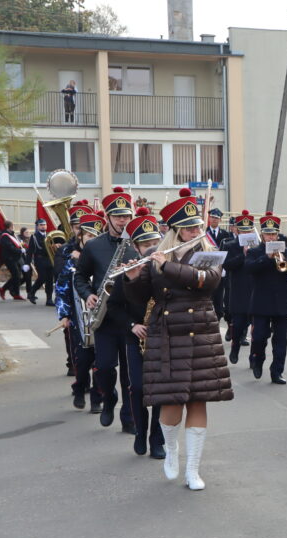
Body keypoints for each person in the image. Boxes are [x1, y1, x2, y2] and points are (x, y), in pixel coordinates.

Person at [123, 188, 233, 491]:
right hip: (167, 334)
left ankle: (193, 469)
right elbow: (141, 295)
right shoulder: (156, 255)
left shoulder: (208, 252)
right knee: (170, 401)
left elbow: (205, 281)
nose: (196, 231)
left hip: (200, 331)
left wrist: (165, 266)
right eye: (188, 228)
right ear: (175, 231)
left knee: (198, 400)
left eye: (197, 226)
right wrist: (131, 278)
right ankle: (171, 451)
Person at [74, 188, 140, 432]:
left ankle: (128, 418)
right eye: (118, 216)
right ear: (108, 217)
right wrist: (88, 294)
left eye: (126, 216)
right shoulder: (94, 246)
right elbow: (80, 277)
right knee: (103, 368)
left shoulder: (136, 243)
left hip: (130, 316)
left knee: (130, 375)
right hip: (104, 317)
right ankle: (109, 398)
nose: (123, 221)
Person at [119, 208, 166, 459]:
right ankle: (140, 432)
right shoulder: (128, 268)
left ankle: (156, 439)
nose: (151, 247)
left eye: (155, 241)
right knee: (137, 388)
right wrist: (131, 325)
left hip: (161, 337)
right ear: (136, 247)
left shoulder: (164, 267)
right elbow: (115, 307)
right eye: (146, 243)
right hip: (136, 337)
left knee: (158, 390)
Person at [245, 212, 287, 385]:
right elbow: (249, 269)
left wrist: (285, 260)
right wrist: (267, 259)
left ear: (278, 234)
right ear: (262, 235)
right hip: (261, 302)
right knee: (260, 336)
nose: (271, 237)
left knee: (281, 340)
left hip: (281, 303)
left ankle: (277, 371)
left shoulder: (286, 250)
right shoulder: (255, 252)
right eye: (268, 234)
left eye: (274, 234)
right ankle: (258, 359)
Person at [55, 209, 100, 412]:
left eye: (95, 236)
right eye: (89, 235)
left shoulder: (101, 257)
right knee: (81, 361)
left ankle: (97, 399)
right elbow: (61, 287)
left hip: (101, 317)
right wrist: (64, 315)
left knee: (101, 360)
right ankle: (80, 387)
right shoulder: (69, 256)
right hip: (77, 317)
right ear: (80, 235)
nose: (92, 239)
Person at [223, 211, 256, 363]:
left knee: (257, 328)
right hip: (238, 290)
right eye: (243, 230)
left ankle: (254, 356)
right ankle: (235, 348)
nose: (246, 233)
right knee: (238, 326)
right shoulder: (230, 245)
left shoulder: (258, 245)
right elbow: (227, 265)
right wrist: (243, 255)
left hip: (255, 291)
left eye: (249, 230)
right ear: (237, 230)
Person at [205, 207, 227, 320]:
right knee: (208, 296)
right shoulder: (204, 233)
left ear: (220, 220)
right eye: (212, 217)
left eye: (216, 218)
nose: (214, 220)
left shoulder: (225, 234)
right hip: (207, 267)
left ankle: (218, 316)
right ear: (209, 218)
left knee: (219, 295)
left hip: (221, 268)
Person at [27, 219, 55, 305]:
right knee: (42, 278)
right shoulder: (34, 237)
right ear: (38, 226)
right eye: (41, 225)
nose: (43, 226)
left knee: (50, 280)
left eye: (44, 225)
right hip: (40, 260)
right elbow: (30, 251)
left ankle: (49, 299)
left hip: (50, 259)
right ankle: (32, 292)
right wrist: (27, 263)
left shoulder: (50, 235)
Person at [0, 218, 27, 301]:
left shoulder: (12, 234)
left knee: (18, 275)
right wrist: (20, 250)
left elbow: (16, 244)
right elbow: (10, 247)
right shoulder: (5, 236)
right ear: (10, 226)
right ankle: (15, 294)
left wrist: (22, 246)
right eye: (13, 225)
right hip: (9, 258)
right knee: (16, 275)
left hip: (16, 257)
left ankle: (5, 289)